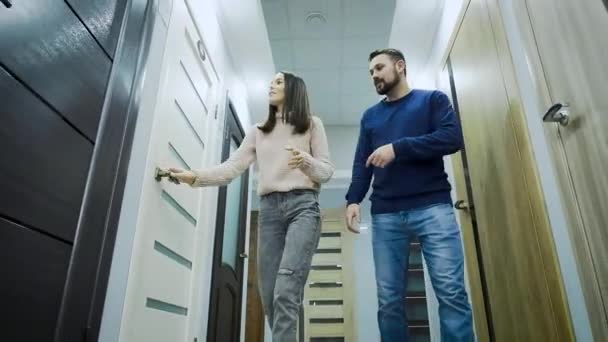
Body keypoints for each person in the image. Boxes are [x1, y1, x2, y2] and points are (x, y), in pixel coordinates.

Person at [168, 71, 334, 341]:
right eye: (272, 81)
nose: (272, 84)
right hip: (269, 212)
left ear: (294, 89)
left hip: (303, 208)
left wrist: (305, 161)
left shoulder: (312, 125)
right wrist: (195, 177)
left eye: (279, 81)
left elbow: (325, 172)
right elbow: (232, 168)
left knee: (286, 291)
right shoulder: (258, 131)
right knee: (269, 296)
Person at [344, 48, 474, 341]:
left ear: (400, 66)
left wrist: (398, 148)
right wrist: (353, 199)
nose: (374, 75)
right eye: (371, 72)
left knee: (451, 293)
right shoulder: (371, 117)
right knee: (389, 301)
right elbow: (361, 163)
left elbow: (452, 138)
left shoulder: (432, 100)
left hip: (433, 208)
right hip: (386, 214)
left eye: (379, 68)